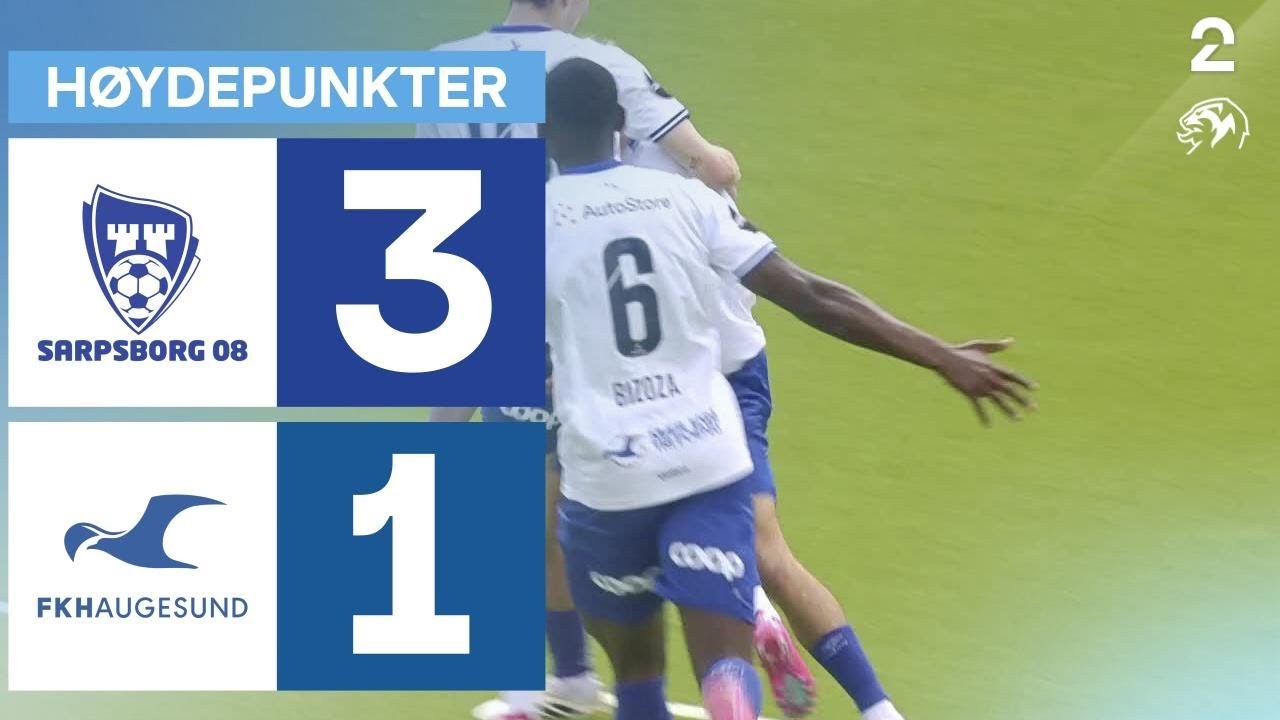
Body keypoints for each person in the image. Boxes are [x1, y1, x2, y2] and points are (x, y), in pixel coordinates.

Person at [544, 58, 1036, 720]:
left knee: (636, 675)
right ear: (621, 124)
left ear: (541, 131)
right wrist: (940, 356)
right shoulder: (687, 199)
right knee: (726, 660)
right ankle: (751, 694)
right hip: (706, 458)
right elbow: (812, 295)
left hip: (609, 477)